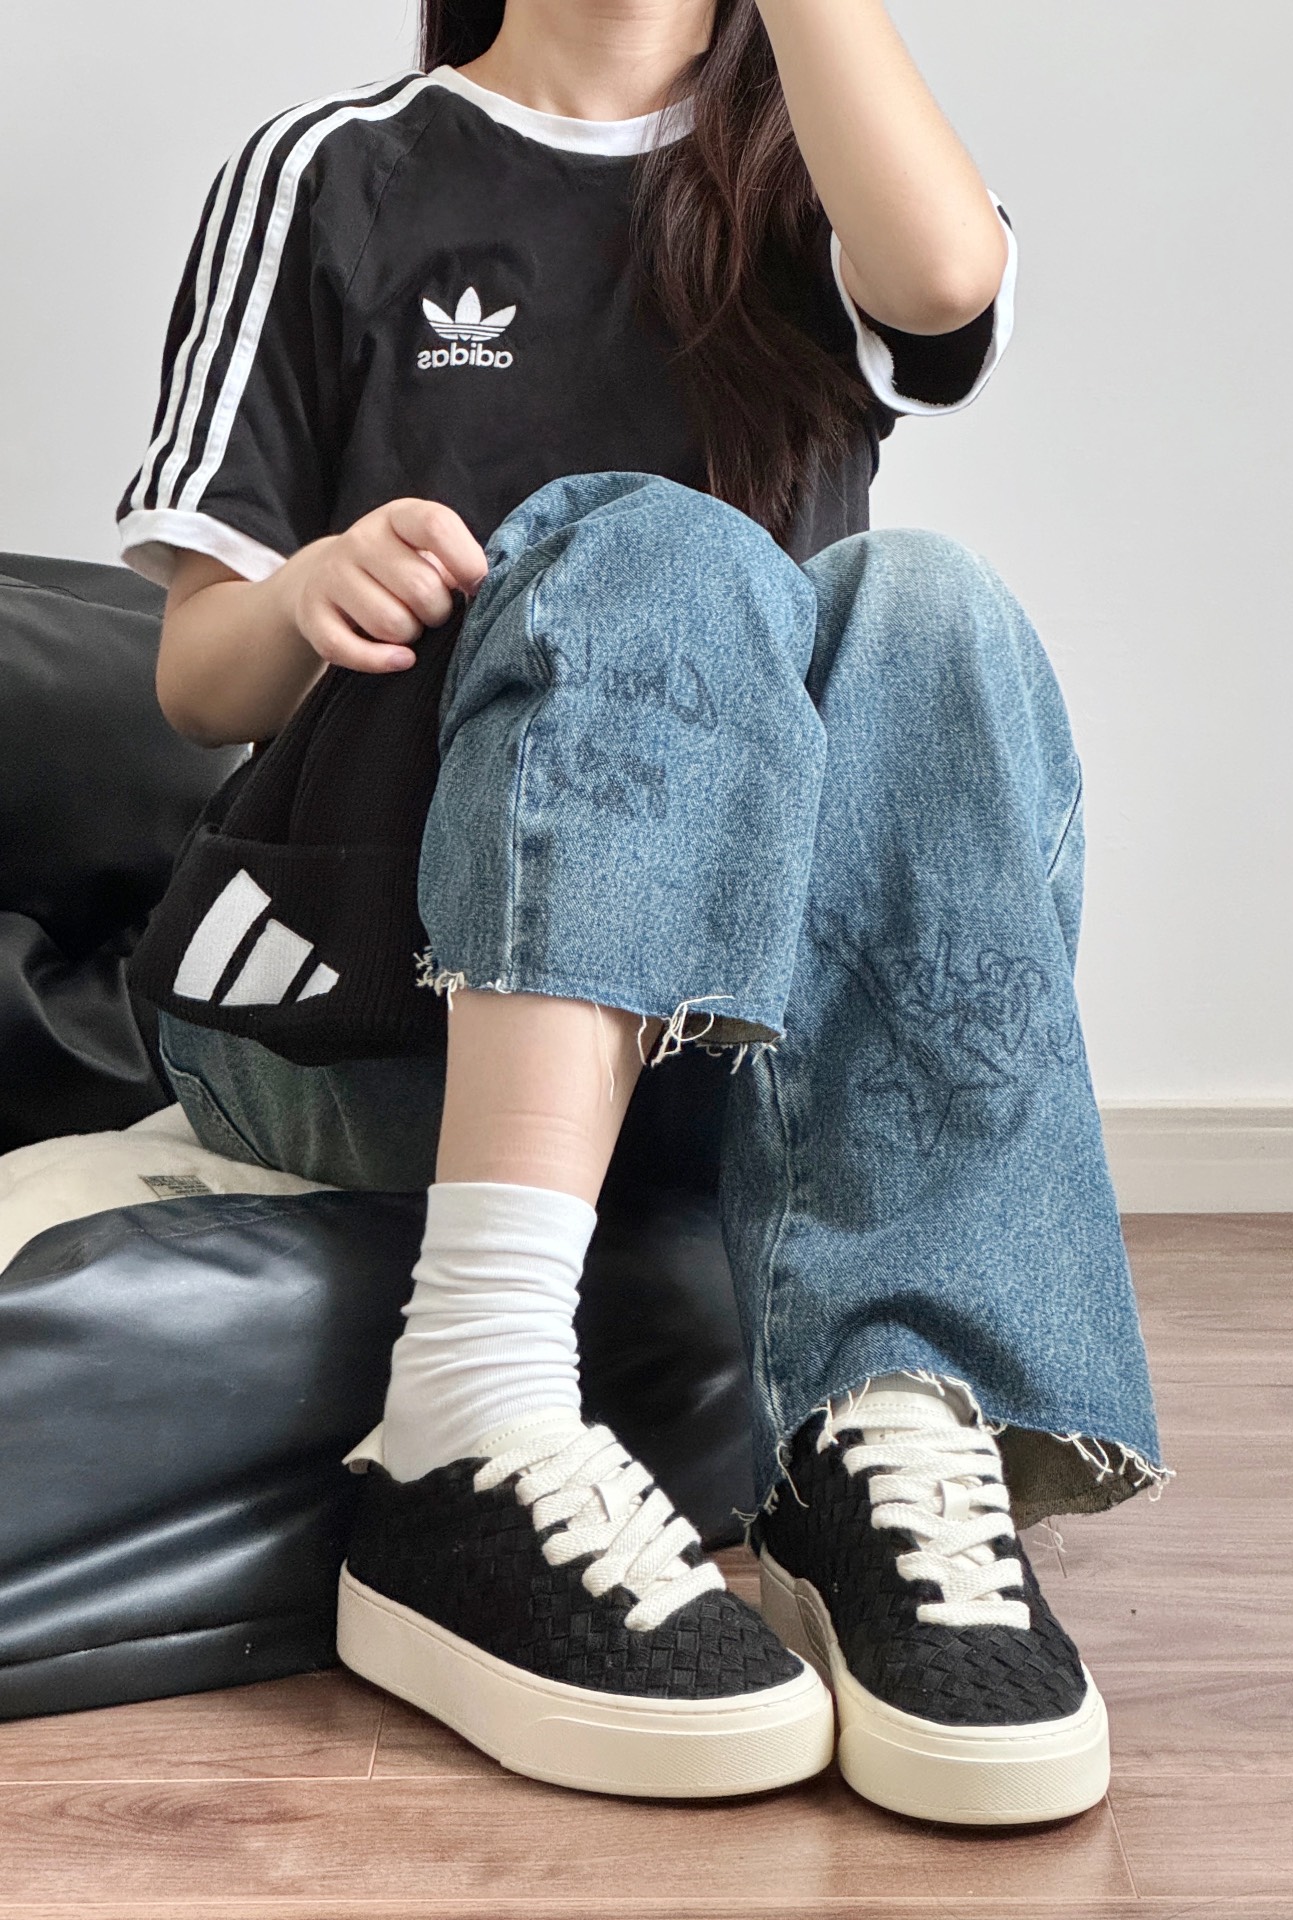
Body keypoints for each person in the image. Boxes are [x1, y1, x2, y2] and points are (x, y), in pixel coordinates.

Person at [116, 0, 1169, 1825]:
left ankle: (885, 1420)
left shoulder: (812, 176)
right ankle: (470, 1405)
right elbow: (196, 677)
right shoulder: (331, 175)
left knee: (931, 604)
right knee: (658, 546)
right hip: (361, 1002)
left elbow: (941, 285)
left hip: (705, 1048)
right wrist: (307, 592)